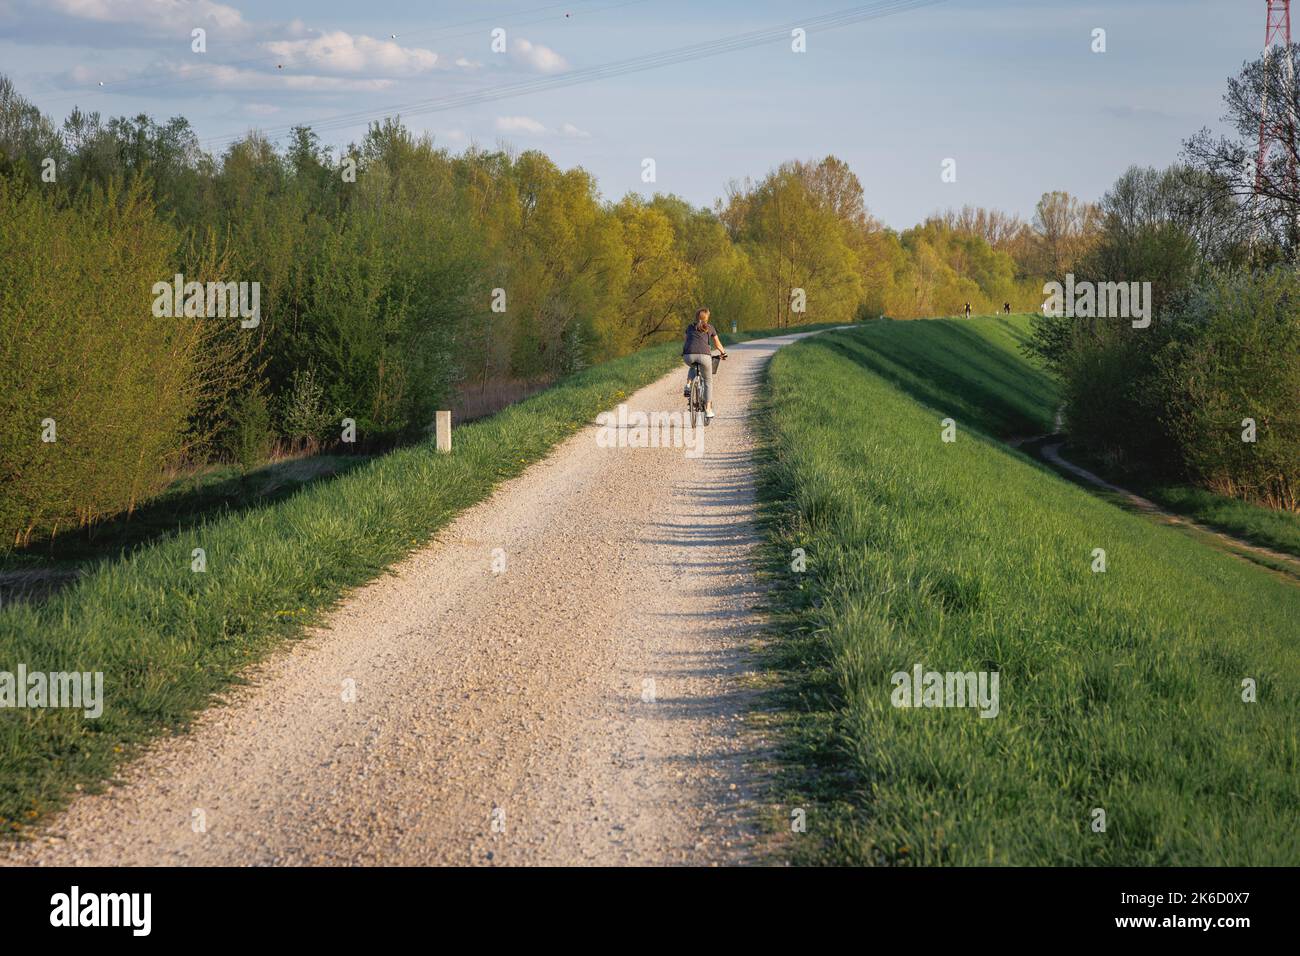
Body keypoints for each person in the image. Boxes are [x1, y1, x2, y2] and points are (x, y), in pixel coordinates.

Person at [682, 307, 727, 420]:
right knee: (708, 381)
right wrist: (723, 352)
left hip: (688, 355)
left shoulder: (690, 327)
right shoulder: (710, 327)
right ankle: (707, 409)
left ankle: (688, 385)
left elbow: (686, 340)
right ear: (707, 318)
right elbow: (717, 343)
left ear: (696, 316)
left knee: (693, 365)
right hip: (704, 356)